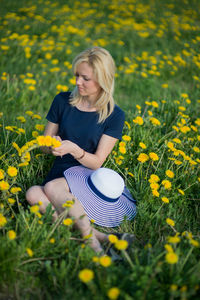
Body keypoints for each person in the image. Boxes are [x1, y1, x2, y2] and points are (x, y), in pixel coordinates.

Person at [26, 46, 136, 255]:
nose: (77, 82)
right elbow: (43, 144)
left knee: (51, 188)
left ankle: (93, 247)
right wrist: (51, 145)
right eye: (77, 75)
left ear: (103, 80)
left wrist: (75, 150)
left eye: (85, 78)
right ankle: (102, 237)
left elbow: (97, 162)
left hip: (87, 177)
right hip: (59, 173)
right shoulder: (62, 101)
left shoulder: (114, 115)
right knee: (33, 193)